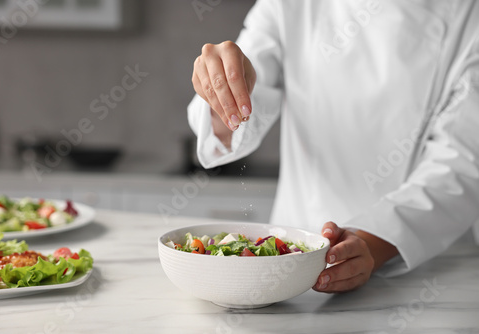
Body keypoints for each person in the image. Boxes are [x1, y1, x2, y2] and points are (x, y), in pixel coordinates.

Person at [187, 0, 479, 293]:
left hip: (424, 274)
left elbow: (461, 164)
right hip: (290, 263)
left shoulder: (469, 15)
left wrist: (374, 242)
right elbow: (241, 102)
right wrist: (222, 88)